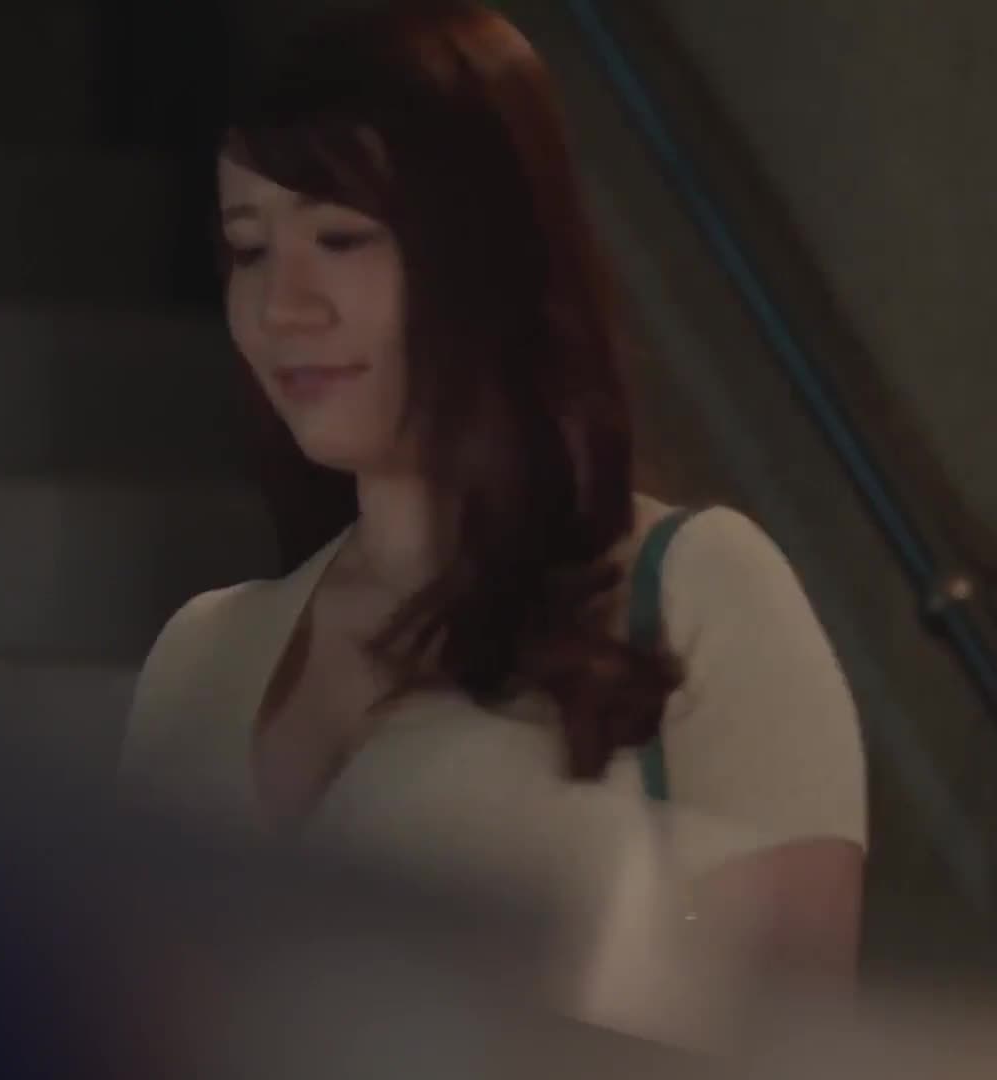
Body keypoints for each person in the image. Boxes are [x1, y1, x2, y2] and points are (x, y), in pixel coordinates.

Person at [117, 0, 868, 1048]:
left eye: (341, 237)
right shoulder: (199, 656)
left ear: (488, 249)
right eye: (249, 249)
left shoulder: (697, 589)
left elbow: (792, 1044)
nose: (284, 305)